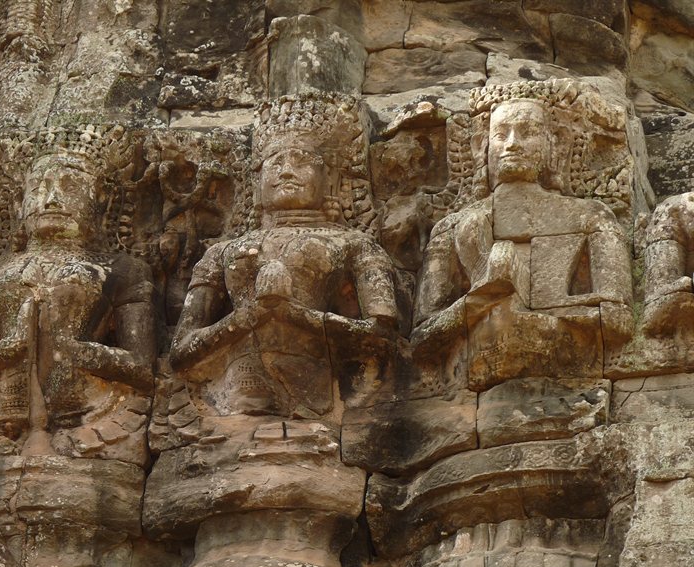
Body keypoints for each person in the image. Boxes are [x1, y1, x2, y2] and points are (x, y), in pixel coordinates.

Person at [0, 126, 156, 460]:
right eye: (38, 187)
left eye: (70, 186)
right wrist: (9, 348)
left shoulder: (122, 270)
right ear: (18, 202)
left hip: (96, 419)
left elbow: (142, 369)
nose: (52, 198)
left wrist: (70, 347)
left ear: (101, 201)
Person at [169, 93, 398, 419]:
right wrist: (249, 316)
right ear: (256, 180)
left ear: (331, 179)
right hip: (233, 401)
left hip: (318, 397)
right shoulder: (221, 252)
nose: (287, 171)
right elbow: (181, 350)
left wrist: (293, 314)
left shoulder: (354, 245)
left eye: (302, 161)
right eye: (275, 162)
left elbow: (382, 335)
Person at [413, 88, 632, 390]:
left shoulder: (592, 216)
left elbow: (619, 320)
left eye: (528, 132)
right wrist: (479, 303)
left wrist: (553, 312)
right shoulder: (451, 227)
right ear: (481, 147)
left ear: (556, 144)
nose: (513, 144)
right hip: (473, 365)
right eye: (501, 134)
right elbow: (422, 337)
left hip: (568, 364)